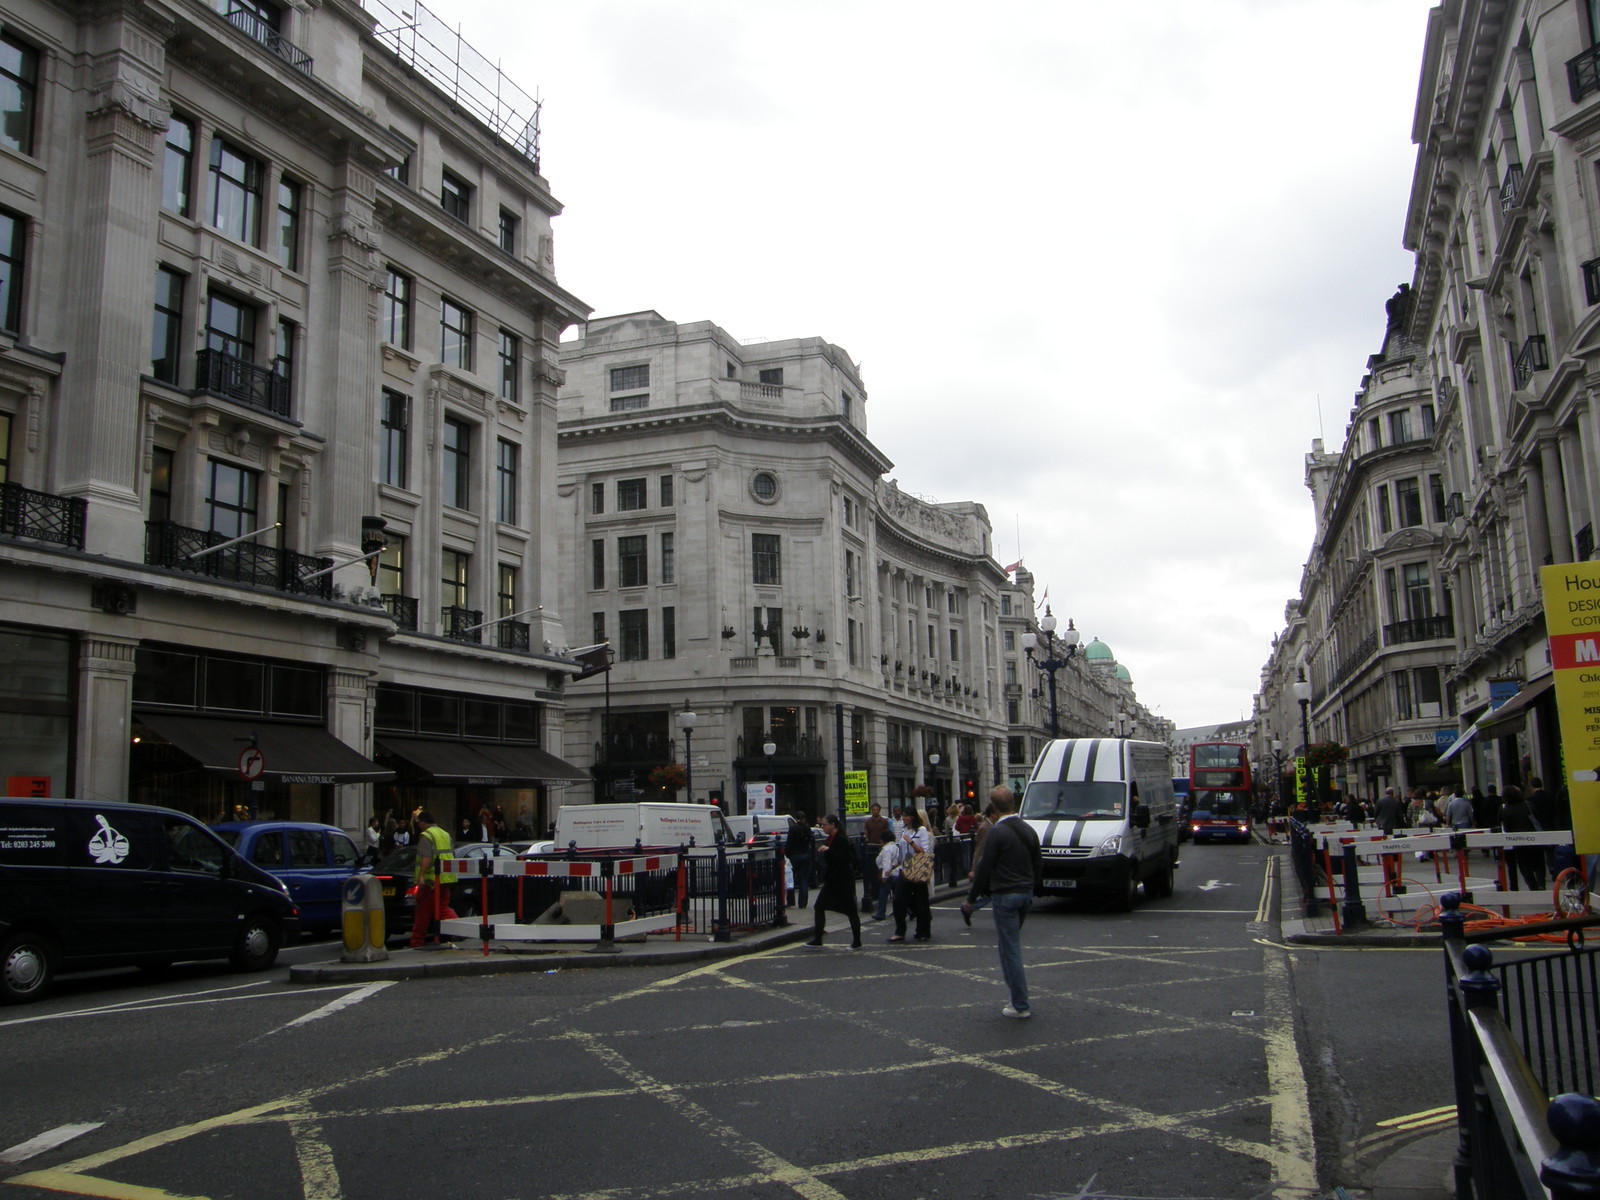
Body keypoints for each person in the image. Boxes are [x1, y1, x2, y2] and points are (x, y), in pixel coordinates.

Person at [962, 786, 1042, 1019]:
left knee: (1010, 950)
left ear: (994, 807)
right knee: (1008, 946)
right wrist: (1031, 887)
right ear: (1013, 804)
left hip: (1005, 895)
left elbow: (984, 869)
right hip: (1025, 894)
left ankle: (1020, 1004)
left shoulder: (997, 832)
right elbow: (1038, 863)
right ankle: (1017, 999)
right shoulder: (1029, 830)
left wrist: (971, 899)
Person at [806, 813, 862, 949]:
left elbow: (843, 859)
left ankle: (857, 941)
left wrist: (828, 850)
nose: (822, 827)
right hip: (832, 880)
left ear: (833, 825)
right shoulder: (831, 838)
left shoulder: (841, 839)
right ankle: (818, 939)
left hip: (843, 881)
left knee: (851, 911)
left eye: (825, 824)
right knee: (819, 906)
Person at [410, 809, 457, 947]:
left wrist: (421, 876)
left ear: (424, 822)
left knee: (423, 913)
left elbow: (426, 857)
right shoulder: (445, 834)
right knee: (442, 908)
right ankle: (462, 929)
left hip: (431, 881)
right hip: (446, 878)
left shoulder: (426, 835)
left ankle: (417, 942)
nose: (419, 826)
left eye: (419, 823)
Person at [1500, 784, 1545, 892]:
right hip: (1534, 838)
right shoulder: (1528, 804)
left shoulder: (1506, 810)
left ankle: (1533, 887)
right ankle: (1541, 884)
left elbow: (1506, 827)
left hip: (1519, 842)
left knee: (1525, 866)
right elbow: (1537, 818)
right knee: (1539, 862)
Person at [901, 808, 933, 941]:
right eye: (903, 816)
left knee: (922, 900)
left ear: (912, 817)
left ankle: (923, 930)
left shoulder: (921, 830)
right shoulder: (904, 830)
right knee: (903, 897)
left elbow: (924, 851)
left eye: (906, 816)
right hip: (906, 868)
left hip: (918, 869)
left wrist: (911, 842)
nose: (904, 818)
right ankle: (920, 920)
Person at [876, 827, 908, 942]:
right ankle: (909, 910)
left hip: (889, 875)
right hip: (897, 874)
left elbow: (886, 863)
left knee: (883, 894)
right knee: (898, 897)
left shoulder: (886, 849)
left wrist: (884, 875)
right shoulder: (895, 846)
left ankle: (880, 912)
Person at [861, 803, 889, 914]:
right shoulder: (868, 822)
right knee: (872, 870)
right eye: (873, 809)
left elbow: (887, 833)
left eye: (877, 809)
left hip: (881, 847)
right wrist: (865, 839)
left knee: (880, 869)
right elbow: (866, 833)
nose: (875, 811)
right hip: (872, 848)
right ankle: (873, 892)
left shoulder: (884, 821)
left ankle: (879, 891)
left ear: (880, 810)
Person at [785, 812, 814, 910]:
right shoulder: (807, 828)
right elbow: (811, 840)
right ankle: (802, 903)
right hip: (805, 854)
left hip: (794, 855)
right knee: (803, 879)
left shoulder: (793, 828)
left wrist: (787, 854)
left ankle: (791, 901)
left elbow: (789, 843)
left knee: (790, 879)